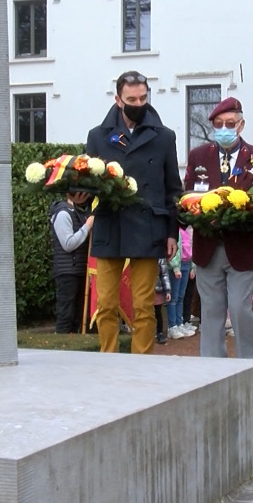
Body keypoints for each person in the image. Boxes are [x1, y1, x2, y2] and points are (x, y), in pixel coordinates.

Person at [85, 70, 183, 354]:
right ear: (118, 99)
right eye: (131, 99)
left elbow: (172, 190)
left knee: (144, 306)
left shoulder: (164, 137)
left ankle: (141, 364)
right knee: (105, 304)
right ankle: (109, 360)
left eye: (143, 98)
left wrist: (172, 232)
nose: (138, 104)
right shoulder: (97, 136)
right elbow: (89, 182)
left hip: (148, 227)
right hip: (110, 224)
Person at [183, 97, 253, 359]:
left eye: (230, 123)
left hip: (243, 247)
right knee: (210, 312)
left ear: (241, 125)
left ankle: (248, 365)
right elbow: (187, 193)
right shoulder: (198, 155)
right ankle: (212, 369)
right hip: (207, 246)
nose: (224, 128)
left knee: (239, 309)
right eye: (219, 124)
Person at [49, 191, 94, 334]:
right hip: (67, 272)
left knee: (78, 316)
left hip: (79, 270)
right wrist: (87, 226)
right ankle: (61, 345)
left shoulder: (79, 212)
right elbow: (68, 244)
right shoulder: (63, 213)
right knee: (66, 314)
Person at [166, 226, 197, 339]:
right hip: (177, 265)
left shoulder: (188, 229)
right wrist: (175, 267)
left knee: (180, 297)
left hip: (186, 264)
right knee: (173, 298)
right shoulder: (175, 229)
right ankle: (172, 326)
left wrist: (193, 267)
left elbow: (191, 247)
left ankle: (180, 323)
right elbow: (172, 250)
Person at [153, 258, 172, 345]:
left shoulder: (160, 258)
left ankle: (159, 333)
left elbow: (164, 275)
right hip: (143, 289)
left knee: (158, 312)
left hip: (157, 290)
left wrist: (167, 291)